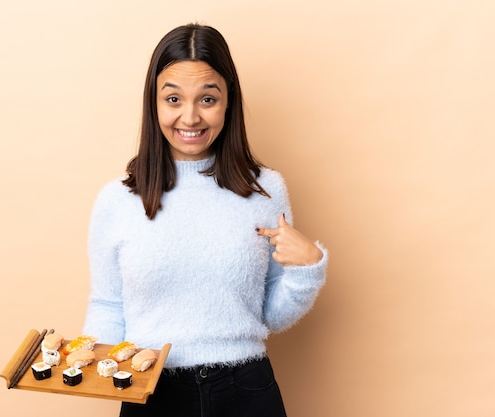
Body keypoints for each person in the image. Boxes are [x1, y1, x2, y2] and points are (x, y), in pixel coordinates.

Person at [82, 23, 328, 417]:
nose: (190, 117)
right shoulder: (117, 200)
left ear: (228, 101)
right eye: (174, 98)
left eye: (207, 99)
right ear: (153, 103)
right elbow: (108, 305)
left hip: (246, 390)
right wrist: (99, 366)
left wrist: (308, 269)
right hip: (150, 391)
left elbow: (270, 316)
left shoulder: (265, 189)